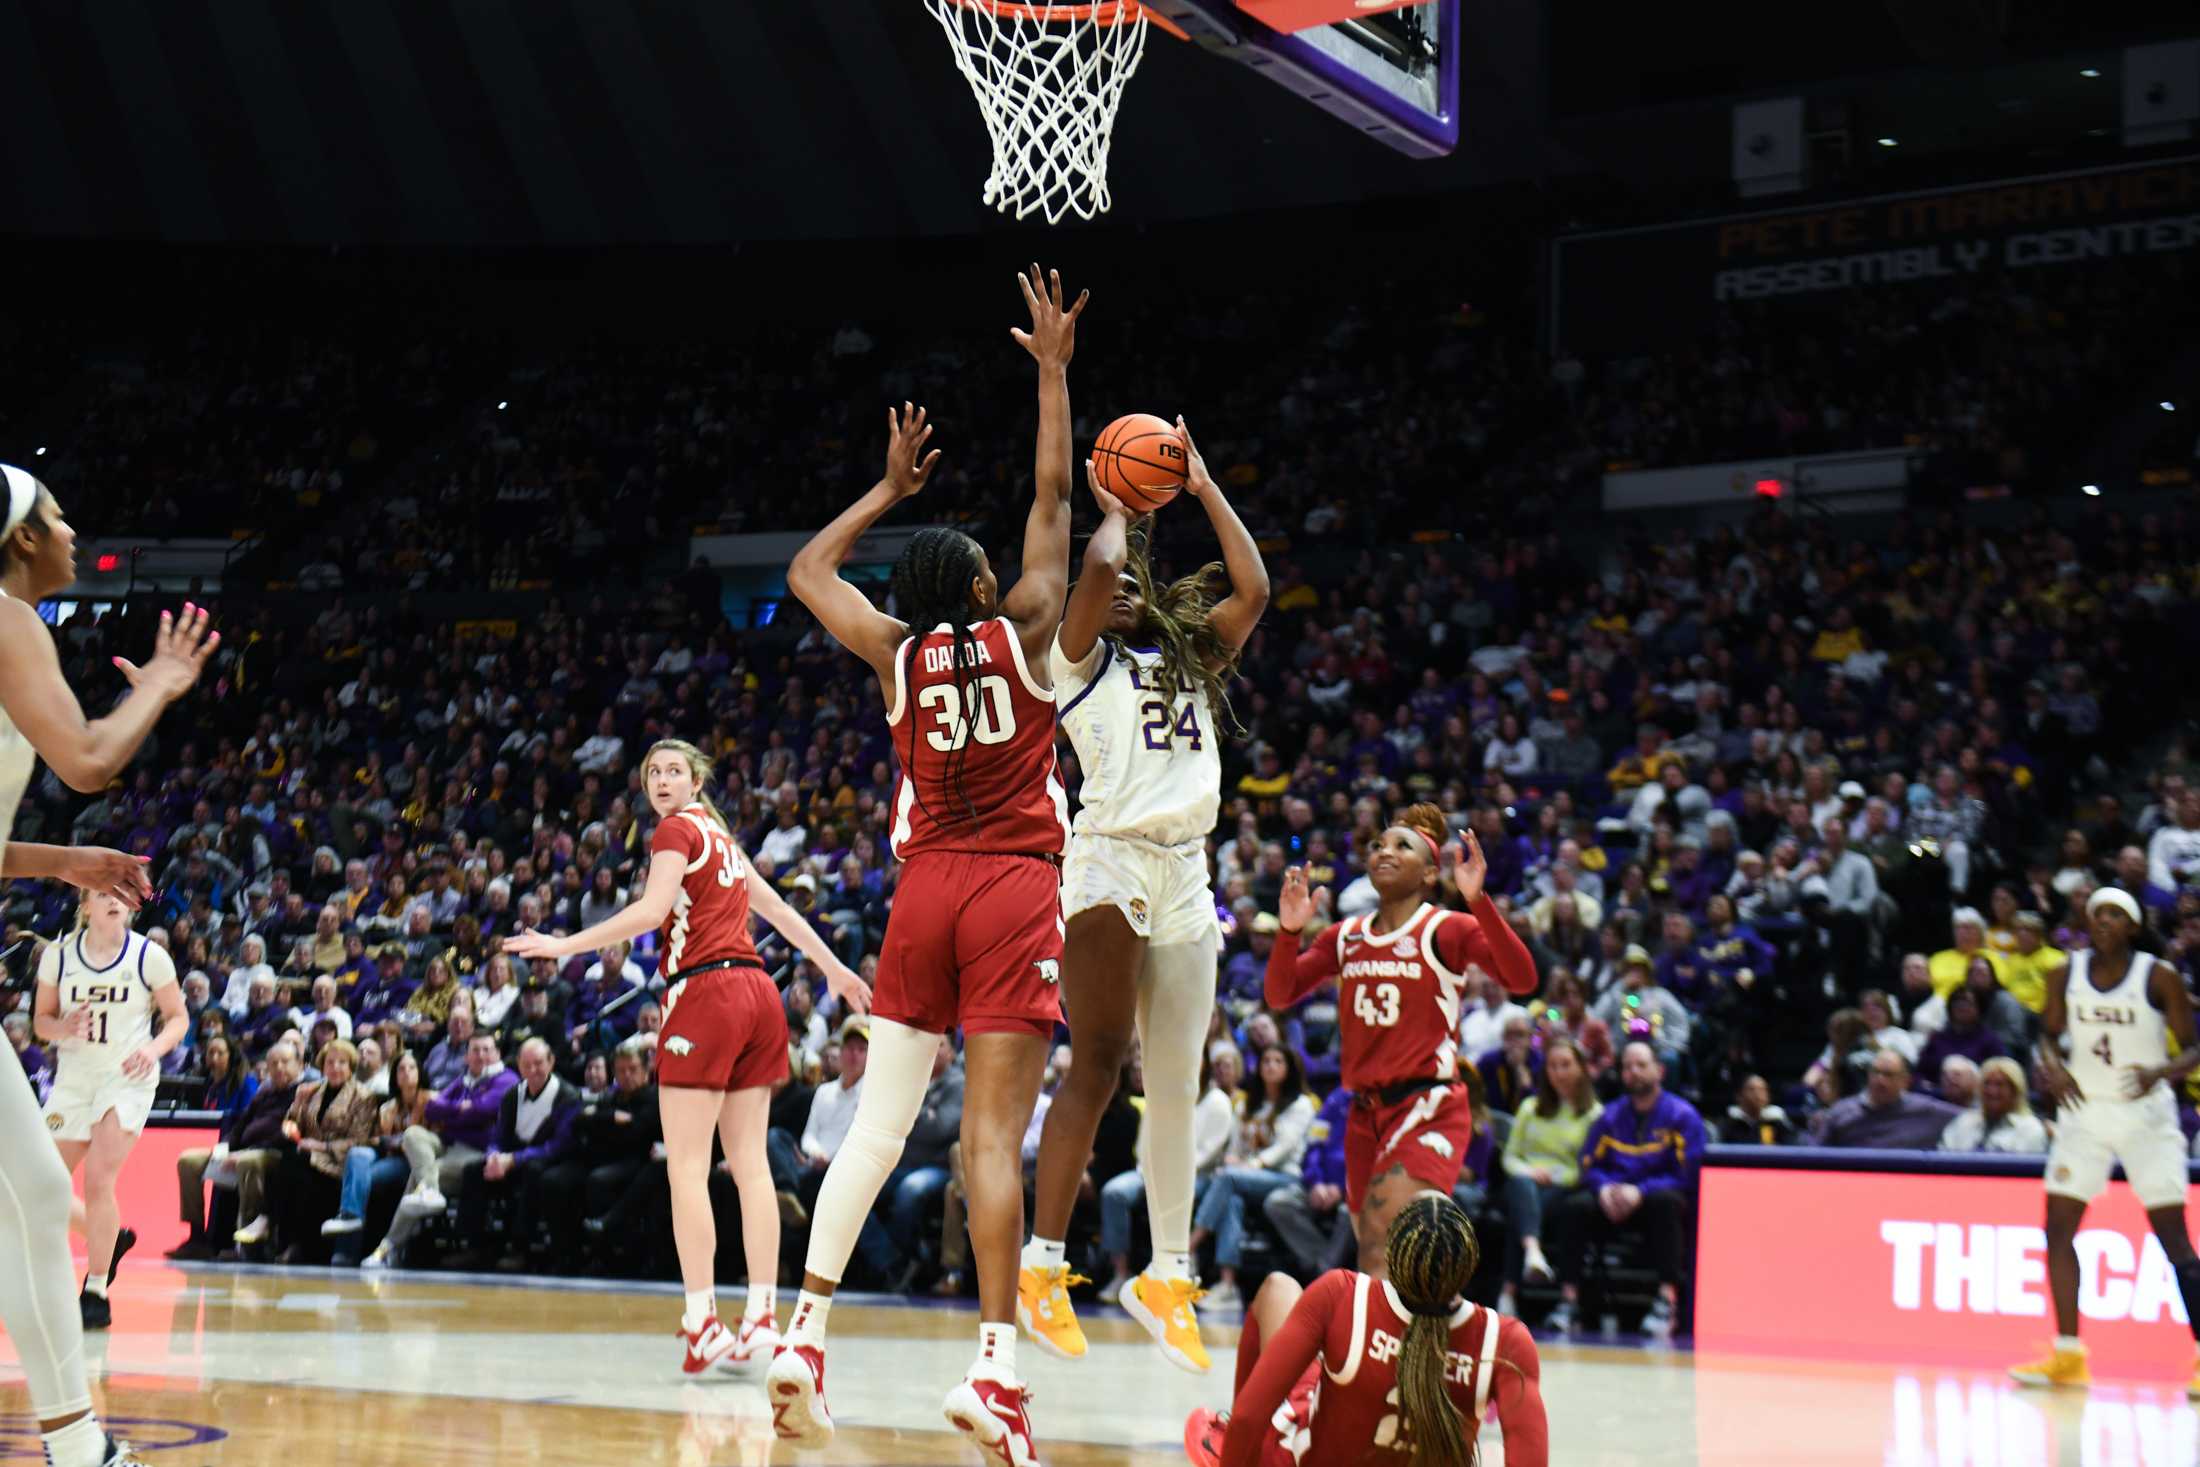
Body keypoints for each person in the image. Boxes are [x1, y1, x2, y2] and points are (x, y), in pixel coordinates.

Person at [768, 265, 1085, 1463]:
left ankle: (803, 1335)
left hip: (921, 893)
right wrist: (1051, 372)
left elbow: (806, 573)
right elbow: (1054, 490)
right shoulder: (1027, 626)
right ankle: (995, 1373)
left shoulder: (895, 651)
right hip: (1009, 886)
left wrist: (886, 490)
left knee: (874, 1131)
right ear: (982, 588)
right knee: (988, 1143)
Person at [1021, 410, 1268, 1377]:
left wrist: (1201, 486)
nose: (1120, 582)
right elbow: (1090, 572)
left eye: (1135, 581)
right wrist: (1115, 505)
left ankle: (1168, 1273)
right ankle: (1045, 1263)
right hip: (1111, 859)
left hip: (1186, 868)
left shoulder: (1192, 657)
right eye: (1114, 577)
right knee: (1099, 1058)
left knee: (1177, 1077)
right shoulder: (1075, 665)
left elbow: (1253, 586)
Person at [507, 738, 867, 1373]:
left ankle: (701, 1321)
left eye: (675, 771)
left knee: (688, 1169)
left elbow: (649, 913)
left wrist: (565, 945)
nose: (663, 780)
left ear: (696, 783)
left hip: (707, 992)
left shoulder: (675, 832)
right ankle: (761, 1317)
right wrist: (832, 968)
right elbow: (778, 909)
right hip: (760, 997)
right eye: (653, 773)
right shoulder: (724, 842)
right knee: (751, 1167)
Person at [1265, 804, 1537, 1277]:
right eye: (1379, 845)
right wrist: (1289, 931)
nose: (1385, 852)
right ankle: (1423, 1337)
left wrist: (1479, 902)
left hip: (1426, 1104)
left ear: (1431, 872)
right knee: (1384, 1254)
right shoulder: (1344, 936)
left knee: (1381, 1241)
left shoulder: (1446, 928)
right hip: (1364, 1113)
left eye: (1401, 846)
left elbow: (1522, 978)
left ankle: (1384, 1348)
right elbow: (1280, 992)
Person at [1181, 1191, 1548, 1467]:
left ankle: (1235, 1448)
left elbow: (1250, 1414)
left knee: (1278, 1288)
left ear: (1393, 1250)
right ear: (1468, 1262)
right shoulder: (1505, 1342)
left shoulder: (1343, 1294)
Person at [2011, 888, 2200, 1391]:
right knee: (2056, 1228)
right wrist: (2053, 1068)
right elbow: (2048, 1035)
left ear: (2133, 927)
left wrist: (2161, 1070)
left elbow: (2194, 1047)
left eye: (2116, 915)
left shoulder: (2157, 976)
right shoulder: (2064, 974)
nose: (2104, 921)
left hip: (2145, 1117)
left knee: (2173, 1236)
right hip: (2083, 1115)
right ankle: (2069, 1355)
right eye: (2098, 914)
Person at [32, 892, 187, 1325]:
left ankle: (96, 1289)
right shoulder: (59, 957)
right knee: (40, 1185)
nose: (114, 900)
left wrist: (154, 1050)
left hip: (126, 1078)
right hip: (74, 1080)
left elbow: (177, 1017)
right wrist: (61, 1027)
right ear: (85, 905)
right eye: (103, 893)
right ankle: (110, 1238)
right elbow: (40, 1021)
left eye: (121, 893)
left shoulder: (149, 956)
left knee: (99, 1180)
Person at [1546, 1042, 1705, 1338]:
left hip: (1653, 1199)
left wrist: (1641, 1191)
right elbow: (1588, 1163)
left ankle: (1665, 1301)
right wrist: (1605, 1188)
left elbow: (1687, 1175)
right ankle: (1569, 1300)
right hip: (1614, 1199)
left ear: (1660, 1070)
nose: (1633, 1072)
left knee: (1667, 1203)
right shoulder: (1610, 1116)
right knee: (1575, 1206)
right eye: (1628, 1066)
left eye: (1641, 1065)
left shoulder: (1683, 1116)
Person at [1186, 1045, 1316, 1310]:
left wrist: (1249, 1165)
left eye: (1278, 1060)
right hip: (1245, 1178)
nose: (1270, 1065)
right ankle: (1228, 1285)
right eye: (1266, 1060)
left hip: (1285, 1177)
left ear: (1289, 1068)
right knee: (1231, 1198)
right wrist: (1235, 1161)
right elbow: (1235, 1146)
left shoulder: (1300, 1104)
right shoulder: (1248, 1103)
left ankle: (1188, 1248)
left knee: (1229, 1179)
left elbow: (1283, 1149)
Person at [1497, 1037, 1598, 1319]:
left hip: (1563, 1186)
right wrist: (1530, 1172)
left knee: (1524, 1212)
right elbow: (1509, 1157)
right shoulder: (1530, 1107)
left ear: (1580, 1068)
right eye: (1552, 1066)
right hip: (1524, 1181)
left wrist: (1554, 1176)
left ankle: (1508, 1294)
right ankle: (1532, 1252)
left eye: (1565, 1065)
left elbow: (1586, 1167)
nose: (1558, 1072)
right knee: (1520, 1189)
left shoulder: (1593, 1114)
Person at [1812, 1050, 1959, 1148]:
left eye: (1888, 1074)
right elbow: (1816, 1155)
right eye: (1876, 1072)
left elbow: (1968, 1118)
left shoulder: (1927, 1110)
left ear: (1905, 1081)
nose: (1879, 1080)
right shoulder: (1841, 1111)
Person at [1939, 1056, 2049, 1154]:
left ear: (2015, 1091)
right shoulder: (1963, 1121)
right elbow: (1942, 1158)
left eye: (2000, 1085)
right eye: (1987, 1084)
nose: (1992, 1091)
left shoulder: (2031, 1128)